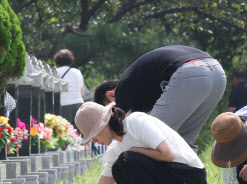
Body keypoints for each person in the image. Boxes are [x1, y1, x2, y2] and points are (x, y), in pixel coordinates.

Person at [41, 101, 207, 184]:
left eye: (94, 134)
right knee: (120, 164)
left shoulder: (136, 122)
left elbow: (167, 154)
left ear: (105, 124)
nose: (94, 141)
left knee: (126, 159)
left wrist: (136, 150)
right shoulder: (116, 150)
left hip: (192, 183)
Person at [93, 45, 226, 152]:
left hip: (190, 73)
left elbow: (125, 135)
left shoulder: (122, 92)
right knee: (182, 142)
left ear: (110, 95)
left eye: (109, 110)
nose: (112, 115)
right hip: (217, 72)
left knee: (149, 139)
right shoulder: (137, 85)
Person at [54, 49, 85, 124]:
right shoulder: (77, 72)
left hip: (62, 105)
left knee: (64, 132)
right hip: (78, 104)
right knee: (78, 133)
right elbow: (81, 92)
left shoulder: (55, 72)